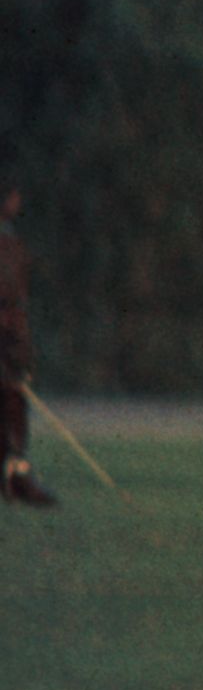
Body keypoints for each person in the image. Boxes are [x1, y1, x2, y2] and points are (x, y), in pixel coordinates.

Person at [1, 188, 51, 511]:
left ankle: (15, 474)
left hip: (9, 334)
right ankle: (16, 477)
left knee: (12, 399)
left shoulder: (11, 241)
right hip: (6, 331)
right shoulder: (7, 245)